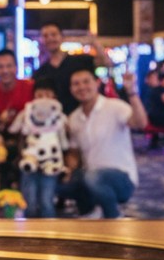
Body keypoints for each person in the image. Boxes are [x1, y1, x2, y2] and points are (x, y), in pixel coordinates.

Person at [62, 66, 148, 219]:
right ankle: (89, 214)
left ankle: (113, 218)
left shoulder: (114, 106)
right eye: (76, 84)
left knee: (93, 177)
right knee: (63, 183)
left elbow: (140, 123)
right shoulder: (74, 118)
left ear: (97, 83)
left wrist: (132, 92)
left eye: (86, 82)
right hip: (92, 178)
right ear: (70, 89)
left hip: (122, 178)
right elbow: (74, 153)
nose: (81, 87)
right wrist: (68, 169)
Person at [11, 79, 65, 219]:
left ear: (55, 98)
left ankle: (49, 234)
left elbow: (64, 139)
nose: (43, 99)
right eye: (39, 95)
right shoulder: (27, 114)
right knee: (29, 200)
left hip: (51, 162)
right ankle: (29, 234)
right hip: (30, 161)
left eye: (47, 95)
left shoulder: (58, 117)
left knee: (47, 200)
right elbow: (14, 129)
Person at [0, 48, 33, 190]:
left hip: (28, 139)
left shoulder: (30, 87)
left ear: (16, 67)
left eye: (9, 66)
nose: (5, 71)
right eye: (0, 67)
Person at [32, 22, 110, 114]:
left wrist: (94, 42)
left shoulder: (80, 60)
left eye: (53, 34)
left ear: (62, 37)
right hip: (55, 121)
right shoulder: (40, 73)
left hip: (84, 116)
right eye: (45, 36)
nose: (50, 38)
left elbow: (105, 62)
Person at [143, 67, 164, 147]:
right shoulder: (160, 90)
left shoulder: (153, 90)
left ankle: (161, 141)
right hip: (159, 119)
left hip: (152, 117)